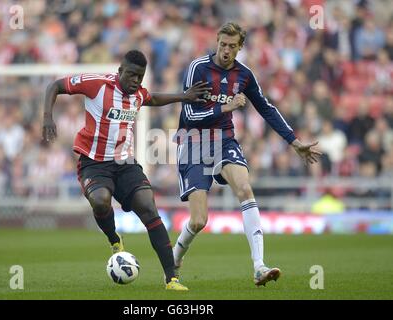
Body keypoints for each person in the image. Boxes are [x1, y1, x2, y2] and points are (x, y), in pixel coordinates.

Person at [42, 50, 210, 291]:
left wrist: (184, 96)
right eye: (131, 75)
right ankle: (114, 240)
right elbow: (55, 85)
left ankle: (171, 278)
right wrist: (48, 116)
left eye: (139, 77)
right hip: (94, 163)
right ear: (120, 71)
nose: (135, 81)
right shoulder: (96, 84)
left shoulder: (138, 94)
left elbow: (152, 98)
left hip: (125, 165)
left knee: (149, 207)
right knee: (100, 201)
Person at [172, 22, 322, 286]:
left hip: (224, 140)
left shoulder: (245, 75)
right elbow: (189, 114)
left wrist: (293, 141)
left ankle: (258, 266)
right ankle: (173, 258)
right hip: (193, 142)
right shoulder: (198, 68)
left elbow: (266, 108)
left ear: (240, 47)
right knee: (198, 221)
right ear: (216, 42)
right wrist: (226, 107)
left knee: (244, 188)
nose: (226, 50)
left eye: (232, 46)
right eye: (222, 45)